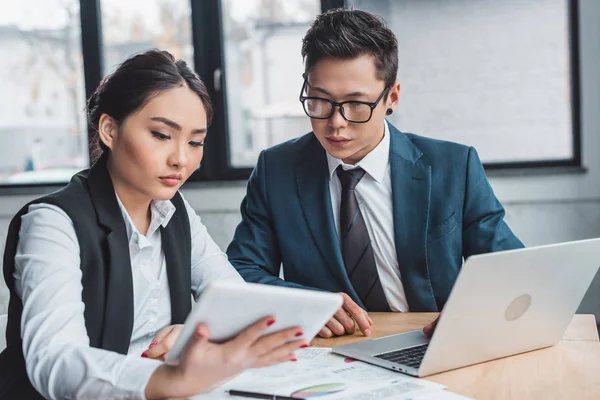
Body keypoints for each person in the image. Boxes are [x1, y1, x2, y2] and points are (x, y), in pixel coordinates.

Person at [0, 49, 306, 400]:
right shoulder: (52, 223)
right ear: (109, 130)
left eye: (195, 142)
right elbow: (56, 361)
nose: (181, 158)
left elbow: (237, 303)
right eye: (162, 135)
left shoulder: (174, 210)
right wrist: (169, 381)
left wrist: (194, 334)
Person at [226, 9, 524, 339]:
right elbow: (241, 270)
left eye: (356, 104)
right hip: (328, 352)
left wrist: (471, 314)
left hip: (432, 340)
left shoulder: (454, 167)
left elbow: (509, 269)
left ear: (391, 97)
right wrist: (301, 303)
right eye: (320, 101)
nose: (335, 122)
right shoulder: (276, 171)